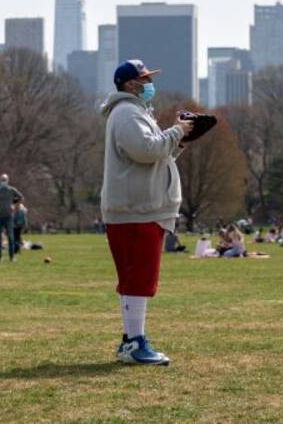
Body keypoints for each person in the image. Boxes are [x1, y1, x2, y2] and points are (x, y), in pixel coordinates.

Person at [100, 58, 193, 366]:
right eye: (143, 79)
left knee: (134, 279)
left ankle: (131, 339)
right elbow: (146, 150)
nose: (149, 84)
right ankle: (134, 341)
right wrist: (176, 132)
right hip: (137, 210)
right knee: (140, 278)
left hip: (135, 208)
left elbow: (155, 154)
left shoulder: (133, 113)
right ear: (130, 85)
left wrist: (178, 141)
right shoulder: (127, 113)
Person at [0, 174, 22, 261]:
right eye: (2, 179)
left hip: (9, 217)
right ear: (0, 180)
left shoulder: (12, 190)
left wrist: (14, 205)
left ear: (8, 180)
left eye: (5, 179)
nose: (3, 181)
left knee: (11, 237)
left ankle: (12, 257)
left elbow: (20, 197)